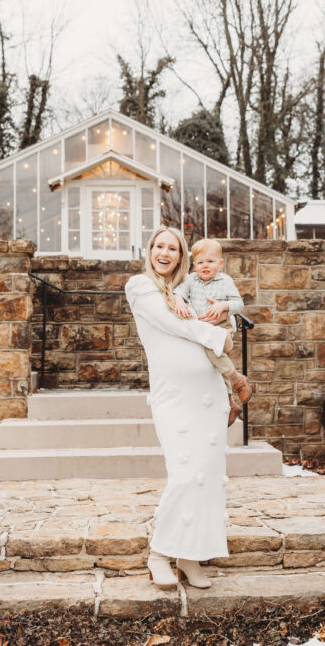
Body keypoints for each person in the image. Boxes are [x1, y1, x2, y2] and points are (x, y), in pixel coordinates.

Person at [125, 227, 233, 590]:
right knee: (185, 475)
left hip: (209, 395)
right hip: (174, 395)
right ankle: (159, 554)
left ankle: (190, 557)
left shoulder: (191, 287)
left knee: (207, 478)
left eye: (173, 248)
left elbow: (225, 310)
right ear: (150, 250)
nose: (165, 253)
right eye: (159, 246)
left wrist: (225, 314)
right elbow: (173, 323)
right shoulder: (140, 287)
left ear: (182, 256)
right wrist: (219, 336)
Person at [173, 238, 252, 426]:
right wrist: (179, 301)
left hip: (221, 327)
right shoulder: (190, 279)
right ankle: (230, 403)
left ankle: (237, 380)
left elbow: (238, 304)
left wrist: (223, 305)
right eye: (200, 262)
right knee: (215, 366)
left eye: (210, 261)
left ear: (220, 263)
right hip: (202, 329)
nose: (205, 266)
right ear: (194, 265)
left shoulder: (225, 281)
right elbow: (179, 292)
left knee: (211, 349)